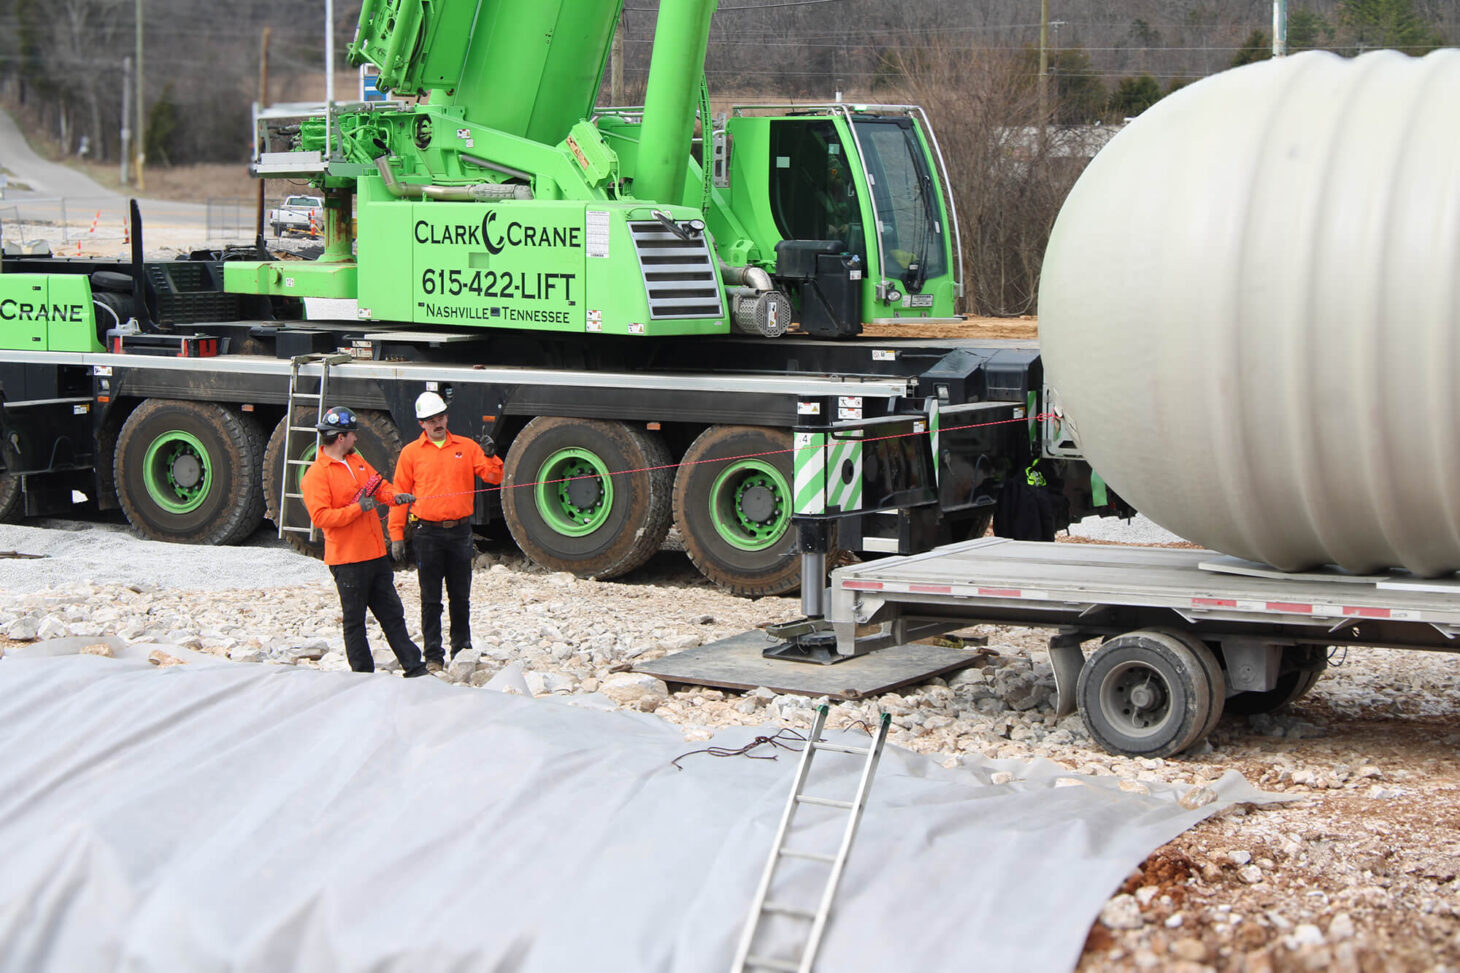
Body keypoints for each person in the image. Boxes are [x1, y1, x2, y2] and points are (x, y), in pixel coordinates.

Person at [301, 405, 428, 677]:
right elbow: (321, 517)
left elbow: (379, 487)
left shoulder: (357, 461)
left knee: (392, 614)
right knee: (355, 621)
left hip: (374, 555)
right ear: (341, 438)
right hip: (347, 561)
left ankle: (415, 668)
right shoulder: (317, 475)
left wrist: (396, 497)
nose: (355, 438)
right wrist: (358, 509)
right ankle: (362, 675)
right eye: (352, 434)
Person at [389, 390, 504, 671]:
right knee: (430, 599)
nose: (437, 423)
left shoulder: (466, 447)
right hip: (427, 534)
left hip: (460, 533)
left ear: (446, 417)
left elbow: (494, 477)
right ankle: (433, 656)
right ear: (421, 424)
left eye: (440, 417)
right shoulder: (411, 453)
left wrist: (491, 456)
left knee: (460, 597)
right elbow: (399, 495)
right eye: (431, 420)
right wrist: (396, 535)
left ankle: (461, 649)